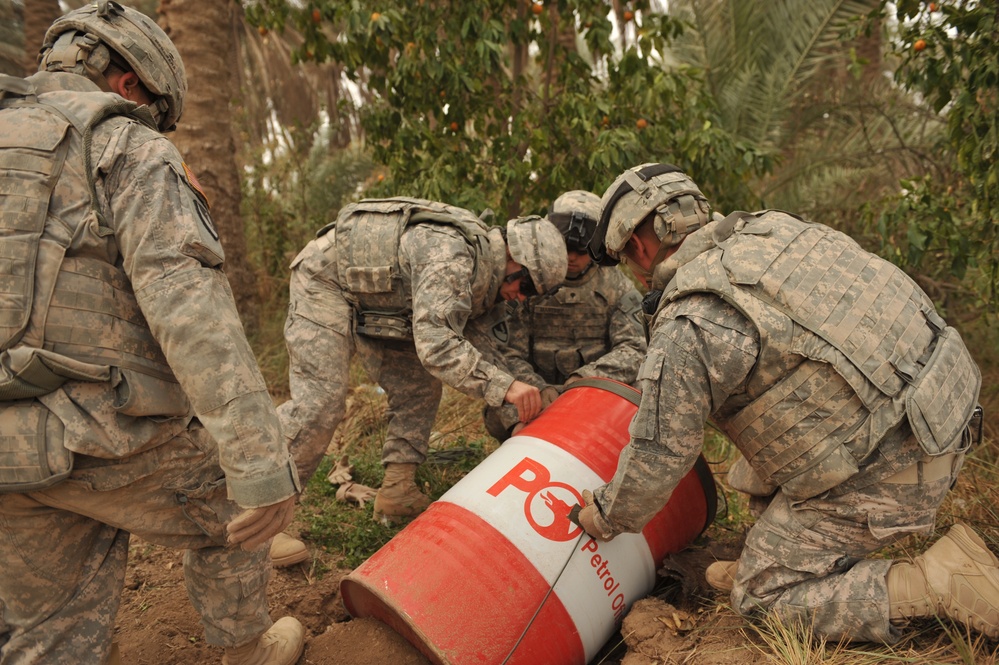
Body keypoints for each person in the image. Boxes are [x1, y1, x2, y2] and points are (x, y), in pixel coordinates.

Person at [577, 162, 996, 643]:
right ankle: (784, 556)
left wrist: (606, 515)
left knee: (758, 602)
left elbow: (659, 454)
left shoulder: (690, 318)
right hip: (945, 418)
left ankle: (937, 581)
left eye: (626, 260)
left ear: (636, 244)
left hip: (895, 467)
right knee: (753, 470)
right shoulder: (781, 230)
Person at [0, 3, 304, 663]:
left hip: (8, 450)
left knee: (50, 633)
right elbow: (190, 311)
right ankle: (247, 648)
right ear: (130, 84)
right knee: (234, 502)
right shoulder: (124, 144)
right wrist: (257, 461)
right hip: (100, 438)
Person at [275, 198, 567, 536]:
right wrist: (503, 388)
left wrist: (537, 393)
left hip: (388, 305)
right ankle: (262, 515)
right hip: (326, 281)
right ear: (513, 257)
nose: (521, 297)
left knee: (420, 387)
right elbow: (436, 346)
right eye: (527, 285)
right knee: (321, 402)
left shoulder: (488, 278)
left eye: (533, 295)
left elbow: (492, 350)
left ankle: (398, 490)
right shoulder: (451, 256)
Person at [483, 190, 646, 441]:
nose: (571, 257)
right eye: (566, 247)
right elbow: (507, 354)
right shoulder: (524, 284)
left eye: (581, 250)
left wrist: (585, 380)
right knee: (500, 395)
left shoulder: (617, 287)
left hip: (594, 396)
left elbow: (635, 349)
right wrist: (538, 389)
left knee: (643, 393)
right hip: (535, 398)